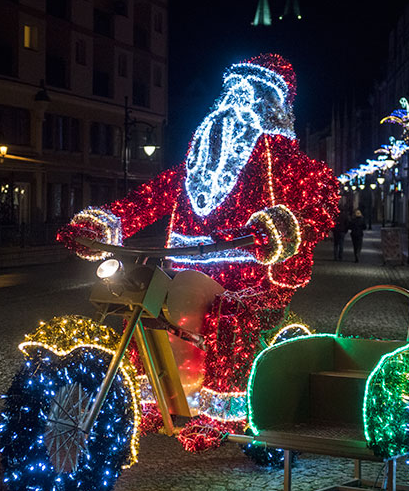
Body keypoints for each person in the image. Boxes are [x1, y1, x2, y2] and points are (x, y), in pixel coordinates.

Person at [56, 54, 340, 449]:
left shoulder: (287, 162)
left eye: (251, 94)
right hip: (180, 267)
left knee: (221, 312)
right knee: (141, 302)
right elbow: (149, 197)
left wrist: (281, 226)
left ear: (273, 107)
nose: (237, 102)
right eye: (232, 91)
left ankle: (217, 409)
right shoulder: (195, 162)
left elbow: (322, 199)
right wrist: (103, 221)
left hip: (252, 274)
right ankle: (157, 395)